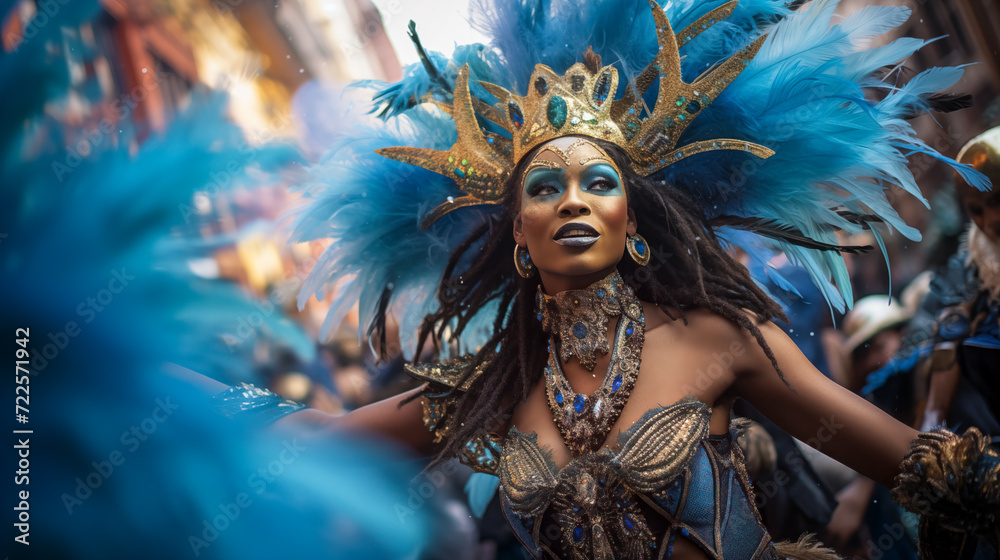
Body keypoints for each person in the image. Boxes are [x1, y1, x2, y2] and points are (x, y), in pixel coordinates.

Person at [236, 1, 1000, 559]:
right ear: (519, 239)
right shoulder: (492, 391)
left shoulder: (717, 339)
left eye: (598, 182)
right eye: (543, 189)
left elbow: (921, 466)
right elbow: (311, 443)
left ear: (630, 221)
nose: (571, 198)